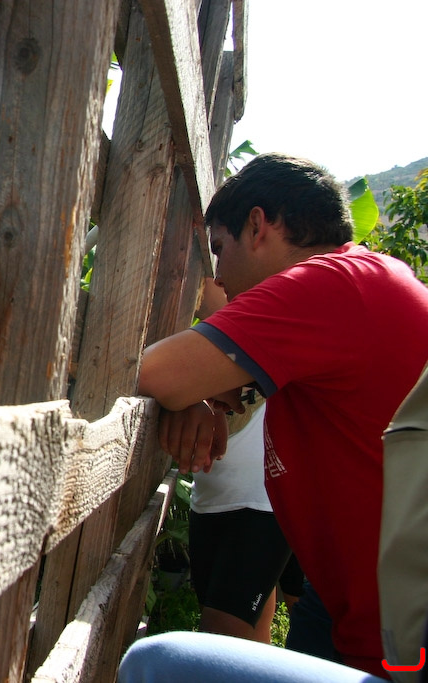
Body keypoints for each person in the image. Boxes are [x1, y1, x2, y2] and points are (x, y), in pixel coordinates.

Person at [122, 153, 428, 680]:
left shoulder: (328, 283)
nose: (219, 276)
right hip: (354, 613)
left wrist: (187, 391)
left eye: (220, 249)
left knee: (157, 663)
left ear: (258, 226)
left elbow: (149, 372)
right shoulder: (366, 279)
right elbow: (199, 383)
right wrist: (203, 397)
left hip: (402, 646)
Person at [187, 279, 293, 644]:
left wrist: (205, 395)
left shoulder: (271, 311)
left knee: (222, 635)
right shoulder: (217, 323)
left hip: (261, 500)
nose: (221, 272)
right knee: (242, 631)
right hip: (211, 496)